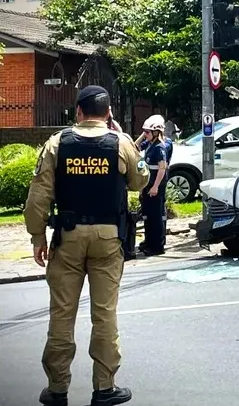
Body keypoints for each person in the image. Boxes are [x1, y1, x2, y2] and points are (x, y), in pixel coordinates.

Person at [23, 85, 149, 406]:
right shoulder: (119, 143)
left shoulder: (57, 143)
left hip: (67, 237)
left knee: (62, 314)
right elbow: (140, 180)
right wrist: (126, 140)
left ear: (78, 112)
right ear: (108, 114)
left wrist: (38, 236)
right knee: (104, 314)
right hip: (108, 237)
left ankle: (57, 389)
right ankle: (104, 388)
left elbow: (38, 196)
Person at [134, 115, 169, 256]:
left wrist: (155, 187)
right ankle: (148, 242)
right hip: (148, 185)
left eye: (148, 132)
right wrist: (144, 134)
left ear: (156, 132)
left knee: (155, 217)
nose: (145, 135)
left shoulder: (159, 147)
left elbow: (162, 168)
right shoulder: (149, 144)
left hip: (156, 187)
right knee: (147, 216)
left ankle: (156, 246)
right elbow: (135, 146)